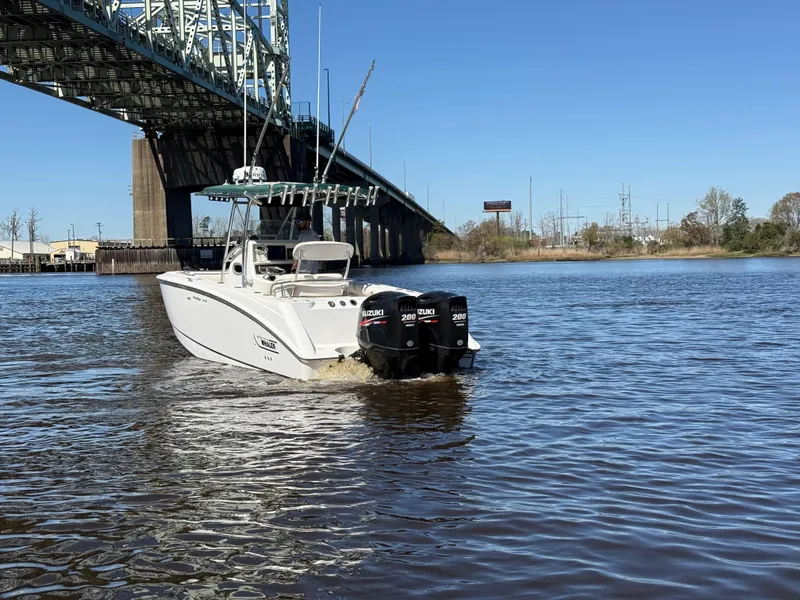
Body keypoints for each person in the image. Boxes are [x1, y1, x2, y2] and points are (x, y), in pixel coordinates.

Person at [292, 209, 320, 273]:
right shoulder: (315, 235)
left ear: (308, 222)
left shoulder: (304, 235)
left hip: (303, 272)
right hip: (314, 272)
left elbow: (298, 254)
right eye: (297, 221)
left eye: (300, 221)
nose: (298, 223)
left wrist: (294, 268)